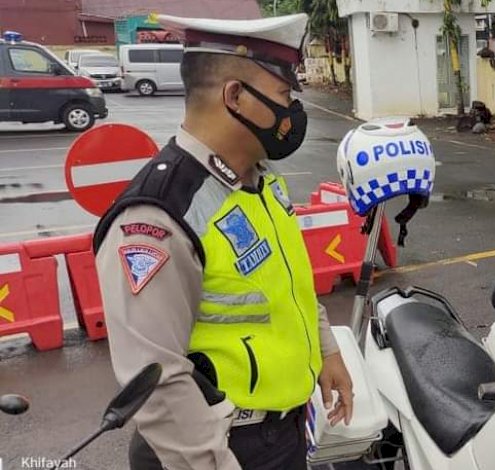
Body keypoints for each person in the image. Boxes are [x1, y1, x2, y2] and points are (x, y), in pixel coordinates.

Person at [92, 14, 352, 469]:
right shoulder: (159, 214)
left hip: (282, 432)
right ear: (235, 97)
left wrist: (327, 352)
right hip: (219, 448)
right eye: (283, 97)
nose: (293, 113)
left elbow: (290, 285)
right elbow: (158, 381)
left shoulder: (262, 181)